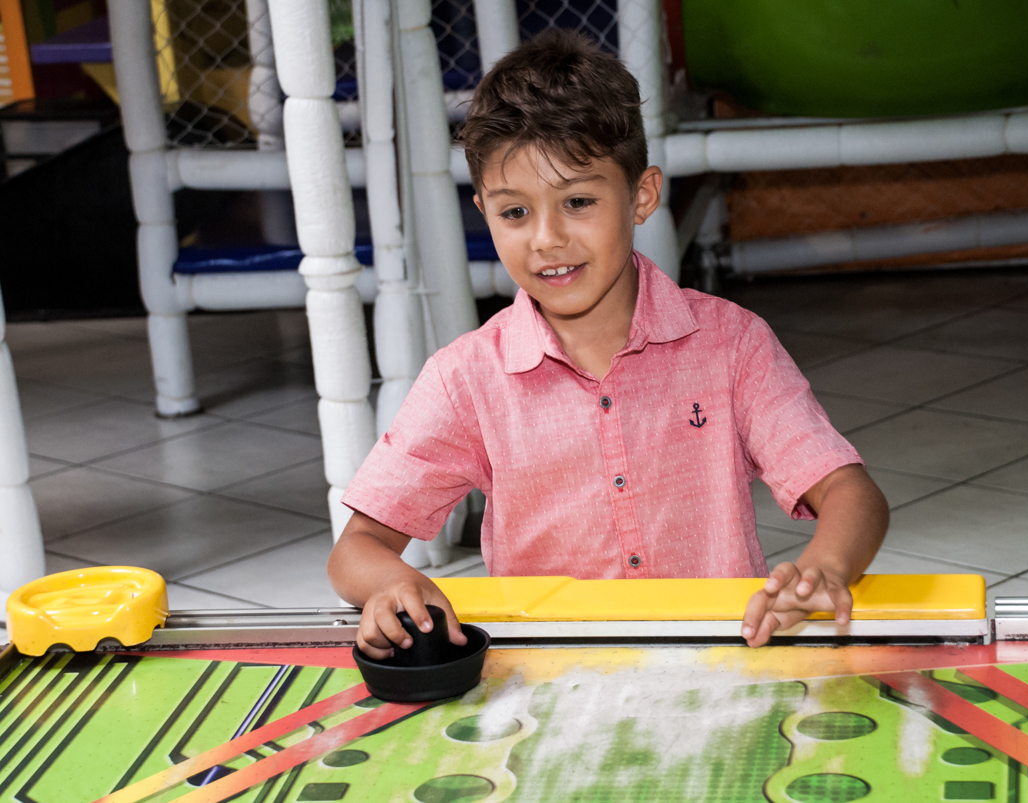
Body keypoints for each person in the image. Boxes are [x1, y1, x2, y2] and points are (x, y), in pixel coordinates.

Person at [328, 29, 889, 657]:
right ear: (484, 210)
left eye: (577, 201)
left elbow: (851, 493)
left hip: (718, 663)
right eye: (515, 213)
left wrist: (827, 569)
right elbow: (357, 549)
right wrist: (395, 584)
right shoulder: (466, 379)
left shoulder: (732, 345)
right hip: (546, 678)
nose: (546, 238)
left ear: (642, 195)